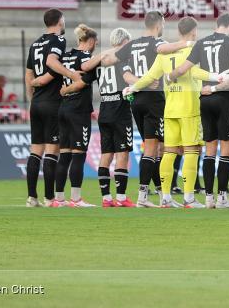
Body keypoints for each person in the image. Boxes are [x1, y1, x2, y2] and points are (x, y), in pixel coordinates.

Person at [166, 12, 229, 209]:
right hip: (225, 99)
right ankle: (222, 198)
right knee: (226, 150)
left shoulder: (201, 42)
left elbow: (184, 67)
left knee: (210, 150)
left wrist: (171, 75)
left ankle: (209, 198)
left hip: (205, 99)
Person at [123, 16, 223, 209]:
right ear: (194, 31)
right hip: (189, 108)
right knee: (192, 151)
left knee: (169, 153)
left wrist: (133, 87)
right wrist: (216, 77)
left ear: (179, 32)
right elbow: (194, 73)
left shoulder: (165, 54)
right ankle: (188, 198)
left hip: (170, 110)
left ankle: (166, 197)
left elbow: (150, 76)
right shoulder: (193, 49)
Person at [115, 11, 190, 207]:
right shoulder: (155, 42)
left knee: (157, 147)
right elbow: (165, 48)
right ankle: (143, 196)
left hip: (136, 101)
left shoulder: (132, 45)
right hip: (153, 101)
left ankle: (162, 193)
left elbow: (124, 72)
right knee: (155, 149)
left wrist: (139, 83)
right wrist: (187, 43)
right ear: (159, 24)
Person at [23, 9, 80, 208]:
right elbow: (52, 64)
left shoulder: (35, 43)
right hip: (52, 103)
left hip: (36, 103)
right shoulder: (58, 40)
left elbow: (28, 75)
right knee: (51, 151)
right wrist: (63, 76)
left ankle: (31, 197)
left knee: (35, 151)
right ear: (59, 21)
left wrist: (32, 98)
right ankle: (49, 198)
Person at [41, 24, 99, 208]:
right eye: (95, 42)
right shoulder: (87, 58)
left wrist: (63, 91)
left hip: (63, 110)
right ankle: (76, 199)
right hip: (78, 110)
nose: (95, 45)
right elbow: (82, 83)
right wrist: (67, 90)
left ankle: (59, 199)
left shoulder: (65, 55)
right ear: (90, 41)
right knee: (78, 155)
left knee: (64, 156)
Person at [85, 27, 134, 207]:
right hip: (120, 112)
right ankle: (121, 198)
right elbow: (128, 80)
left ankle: (106, 198)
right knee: (122, 154)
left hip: (104, 111)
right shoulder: (121, 59)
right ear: (124, 42)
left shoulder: (100, 62)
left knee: (106, 154)